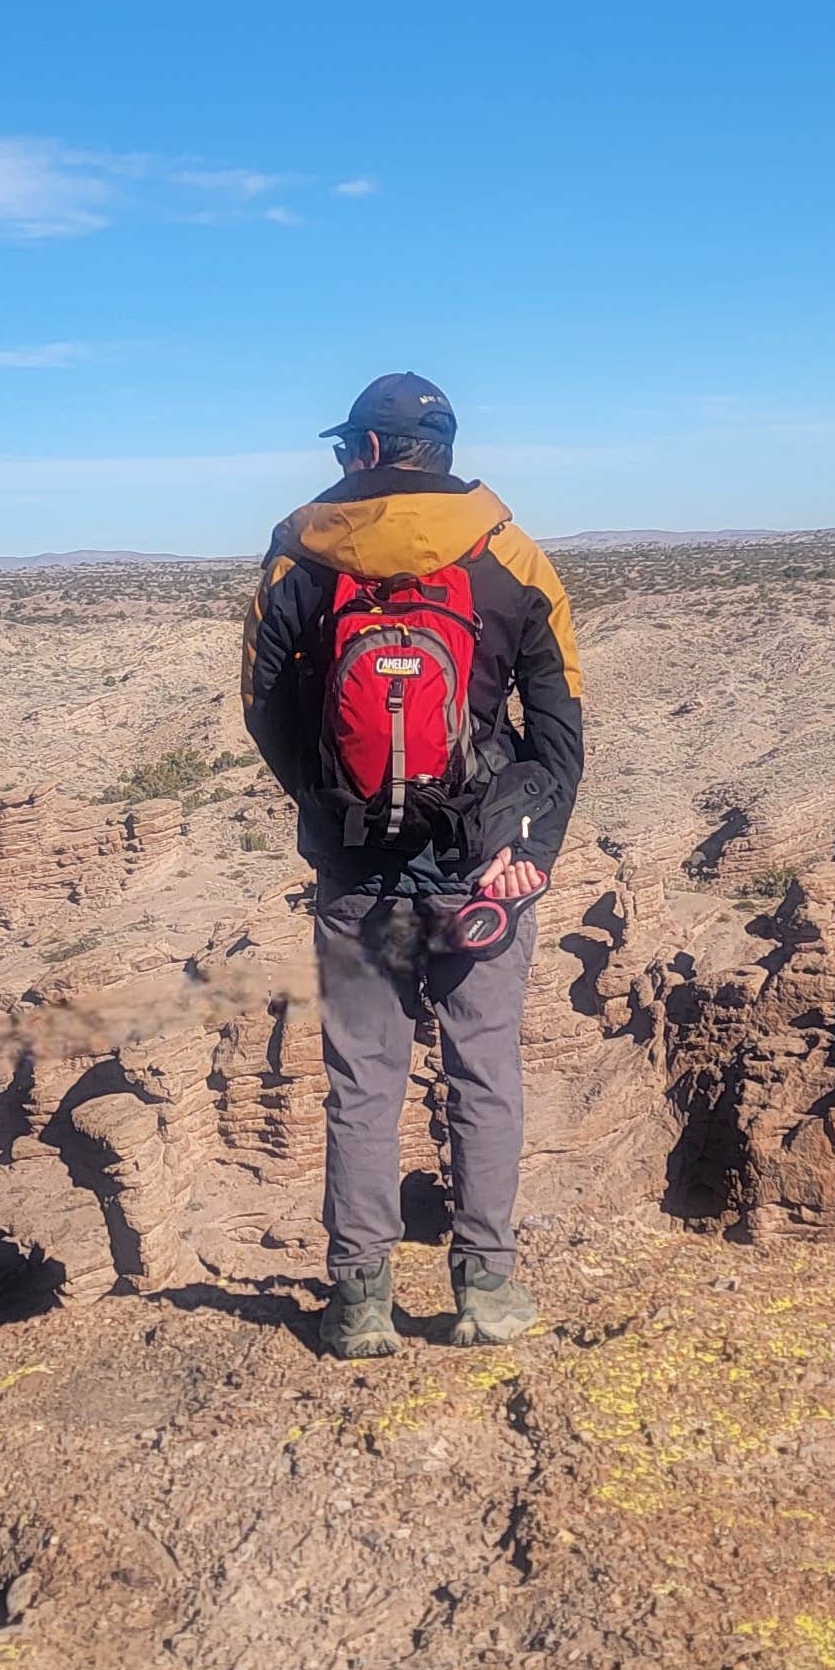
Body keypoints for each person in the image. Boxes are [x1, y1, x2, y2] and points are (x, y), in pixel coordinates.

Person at [241, 370, 585, 1356]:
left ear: (377, 451)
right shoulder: (507, 553)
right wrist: (531, 849)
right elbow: (559, 722)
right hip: (484, 874)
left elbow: (262, 707)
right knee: (482, 1073)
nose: (343, 463)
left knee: (363, 1082)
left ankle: (357, 1304)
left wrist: (328, 811)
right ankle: (484, 1292)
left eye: (348, 447)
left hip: (356, 877)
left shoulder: (297, 554)